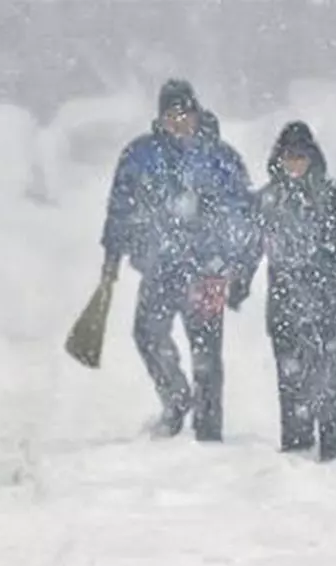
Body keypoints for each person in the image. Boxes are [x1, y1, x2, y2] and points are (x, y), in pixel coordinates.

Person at [99, 79, 254, 441]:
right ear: (160, 118)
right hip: (160, 267)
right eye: (171, 115)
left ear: (197, 113)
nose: (179, 122)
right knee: (148, 335)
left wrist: (233, 262)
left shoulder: (221, 158)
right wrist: (113, 254)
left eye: (184, 113)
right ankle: (176, 397)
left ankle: (209, 428)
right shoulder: (141, 155)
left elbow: (244, 212)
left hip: (208, 273)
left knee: (207, 353)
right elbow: (120, 207)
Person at [231, 121, 336, 461]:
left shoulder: (335, 196)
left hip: (328, 300)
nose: (295, 164)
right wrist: (238, 285)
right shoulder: (267, 201)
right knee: (290, 376)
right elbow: (248, 249)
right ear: (279, 159)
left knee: (328, 372)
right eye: (289, 157)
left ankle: (333, 444)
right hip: (284, 302)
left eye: (301, 157)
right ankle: (297, 444)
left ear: (313, 158)